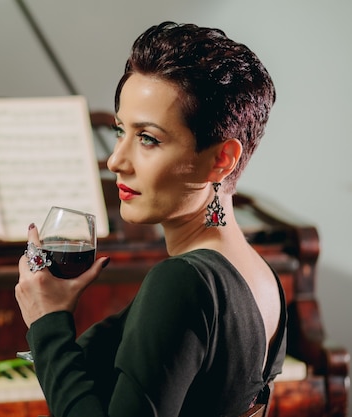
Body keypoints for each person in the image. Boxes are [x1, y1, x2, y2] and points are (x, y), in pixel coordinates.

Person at [15, 21, 286, 417]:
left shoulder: (182, 281)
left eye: (148, 139)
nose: (115, 161)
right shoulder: (261, 275)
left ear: (221, 159)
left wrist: (47, 322)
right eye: (119, 130)